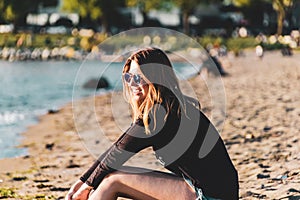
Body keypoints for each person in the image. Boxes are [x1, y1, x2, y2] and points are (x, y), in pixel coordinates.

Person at [65, 47, 239, 200]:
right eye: (128, 77)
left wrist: (84, 189)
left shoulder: (159, 115)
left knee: (113, 180)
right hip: (212, 191)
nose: (133, 83)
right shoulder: (171, 107)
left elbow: (117, 154)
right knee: (110, 176)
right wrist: (79, 184)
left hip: (210, 196)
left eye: (139, 78)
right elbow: (115, 149)